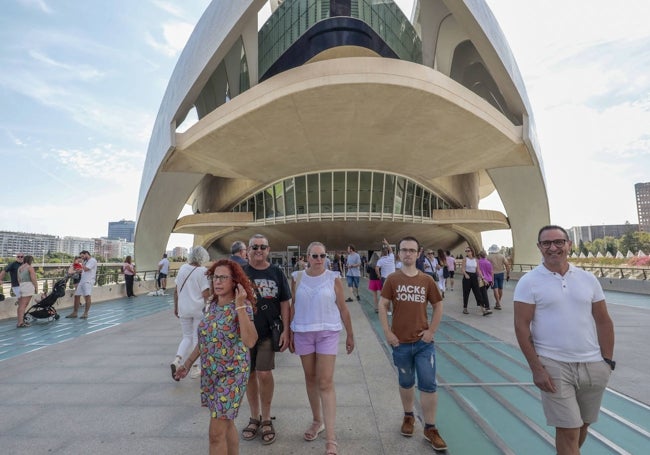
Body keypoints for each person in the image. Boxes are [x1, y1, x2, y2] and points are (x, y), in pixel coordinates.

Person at [514, 225, 615, 455]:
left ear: (569, 244)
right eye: (546, 243)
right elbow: (521, 326)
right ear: (539, 247)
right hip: (554, 365)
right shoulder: (529, 282)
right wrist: (537, 369)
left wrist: (606, 362)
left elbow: (603, 321)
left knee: (582, 425)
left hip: (593, 365)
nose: (553, 247)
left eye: (559, 242)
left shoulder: (588, 279)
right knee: (568, 429)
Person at [174, 259, 258, 455]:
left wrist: (238, 306)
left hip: (233, 374)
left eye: (223, 278)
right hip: (212, 373)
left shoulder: (242, 306)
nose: (217, 282)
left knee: (215, 433)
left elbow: (250, 341)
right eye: (215, 277)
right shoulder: (212, 304)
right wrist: (187, 364)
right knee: (226, 423)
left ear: (234, 281)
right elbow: (205, 340)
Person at [377, 236, 447, 451]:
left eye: (412, 250)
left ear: (418, 254)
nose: (408, 253)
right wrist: (388, 332)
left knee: (428, 383)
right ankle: (408, 416)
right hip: (401, 344)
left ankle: (431, 428)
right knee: (406, 382)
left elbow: (438, 306)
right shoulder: (392, 279)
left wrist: (431, 331)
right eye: (404, 250)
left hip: (424, 344)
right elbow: (383, 304)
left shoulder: (426, 280)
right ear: (399, 253)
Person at [290, 242, 354, 455]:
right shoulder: (297, 278)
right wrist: (289, 333)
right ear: (307, 257)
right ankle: (318, 421)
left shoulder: (333, 278)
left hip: (327, 332)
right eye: (315, 255)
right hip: (303, 333)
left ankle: (331, 438)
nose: (319, 259)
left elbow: (343, 308)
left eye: (322, 255)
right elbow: (292, 307)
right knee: (310, 379)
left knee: (325, 382)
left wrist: (350, 334)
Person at [240, 234, 291, 445]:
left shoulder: (276, 272)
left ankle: (267, 417)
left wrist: (287, 331)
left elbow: (285, 303)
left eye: (262, 247)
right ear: (248, 250)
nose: (258, 250)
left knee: (264, 372)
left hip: (268, 332)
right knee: (249, 374)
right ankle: (254, 416)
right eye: (254, 247)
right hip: (244, 332)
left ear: (268, 250)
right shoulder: (240, 273)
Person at [171, 246, 211, 380]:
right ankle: (195, 368)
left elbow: (176, 291)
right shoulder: (202, 271)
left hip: (184, 308)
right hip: (198, 309)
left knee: (186, 337)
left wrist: (176, 307)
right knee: (197, 338)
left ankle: (177, 360)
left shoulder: (182, 269)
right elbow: (205, 293)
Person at [66, 250, 97, 319]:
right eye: (81, 257)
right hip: (82, 281)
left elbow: (86, 269)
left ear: (86, 254)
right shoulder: (86, 261)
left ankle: (85, 313)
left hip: (88, 281)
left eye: (83, 256)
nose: (82, 258)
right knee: (77, 296)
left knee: (87, 296)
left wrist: (81, 263)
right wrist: (78, 271)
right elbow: (83, 270)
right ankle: (75, 313)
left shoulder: (92, 261)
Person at [460, 246, 486, 315]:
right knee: (466, 293)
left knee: (478, 293)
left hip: (474, 276)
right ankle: (465, 308)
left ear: (472, 251)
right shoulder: (465, 259)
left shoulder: (476, 260)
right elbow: (462, 268)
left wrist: (483, 278)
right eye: (466, 251)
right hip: (467, 277)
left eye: (468, 251)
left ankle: (483, 309)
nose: (467, 252)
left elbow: (478, 270)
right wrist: (465, 274)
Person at [16, 255, 38, 328]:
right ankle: (20, 323)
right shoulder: (30, 268)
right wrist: (36, 288)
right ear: (30, 261)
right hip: (28, 286)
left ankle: (20, 321)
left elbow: (18, 279)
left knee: (21, 305)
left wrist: (22, 286)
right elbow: (33, 279)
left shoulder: (19, 268)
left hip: (21, 286)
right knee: (24, 305)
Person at [487, 244, 510, 310]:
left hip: (492, 274)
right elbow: (507, 265)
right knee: (500, 288)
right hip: (501, 273)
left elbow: (486, 266)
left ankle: (498, 303)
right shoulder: (502, 256)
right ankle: (498, 302)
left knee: (495, 289)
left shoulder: (488, 257)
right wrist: (508, 274)